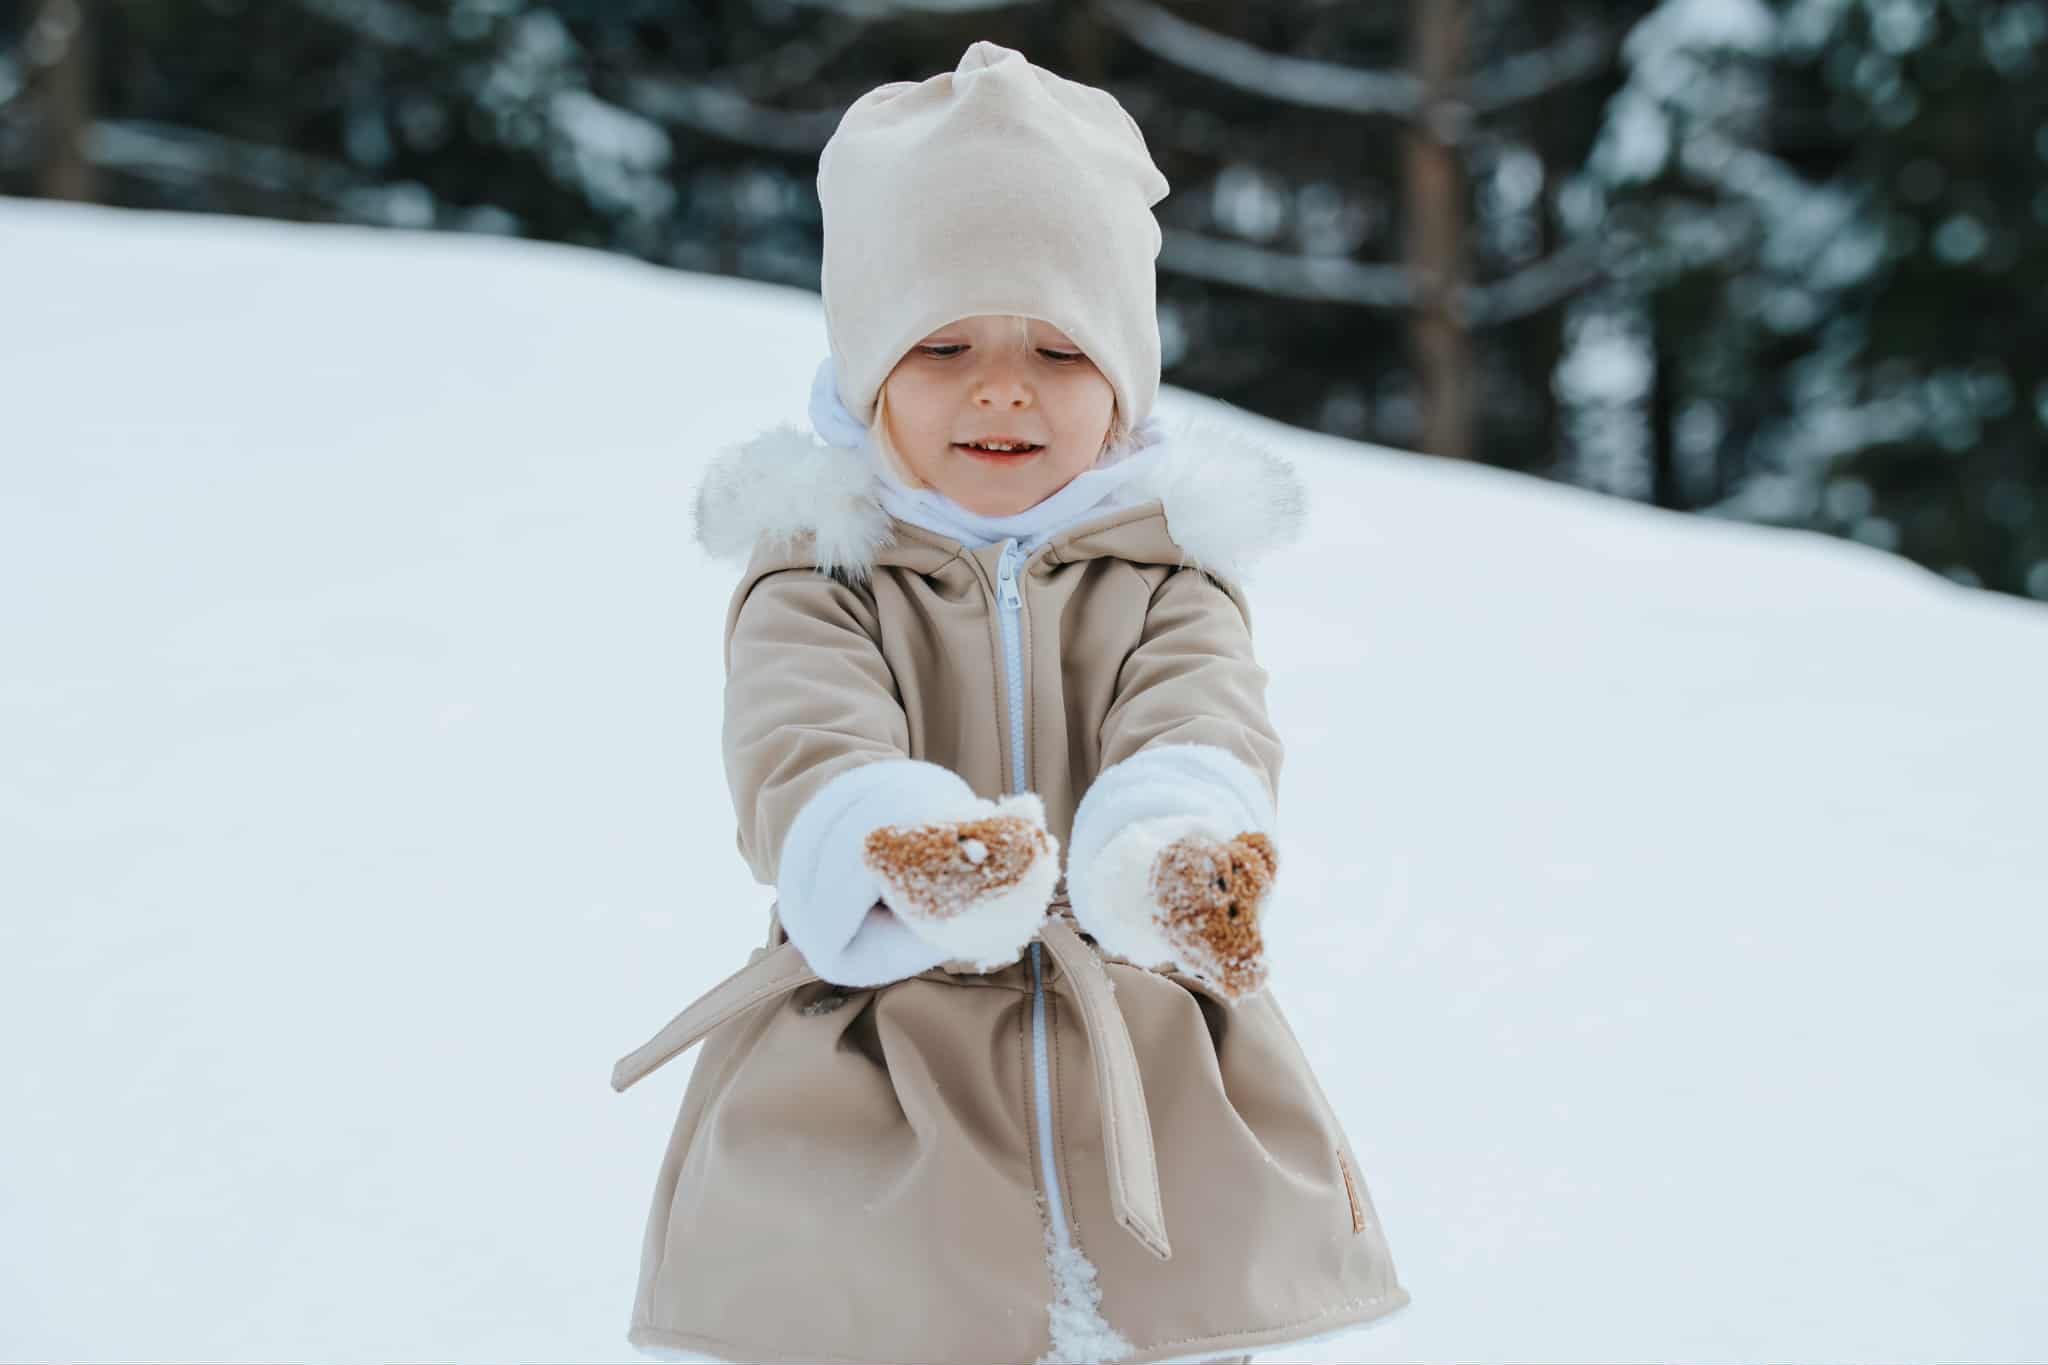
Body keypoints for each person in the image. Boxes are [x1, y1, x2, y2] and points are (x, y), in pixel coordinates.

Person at [610, 40, 1411, 1365]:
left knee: (1161, 1327)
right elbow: (799, 738)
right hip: (881, 1069)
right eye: (944, 343)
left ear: (1125, 375)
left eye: (1056, 343)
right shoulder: (822, 566)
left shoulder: (1171, 568)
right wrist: (898, 846)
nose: (1002, 385)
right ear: (869, 367)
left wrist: (1170, 854)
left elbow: (1199, 715)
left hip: (1141, 1074)